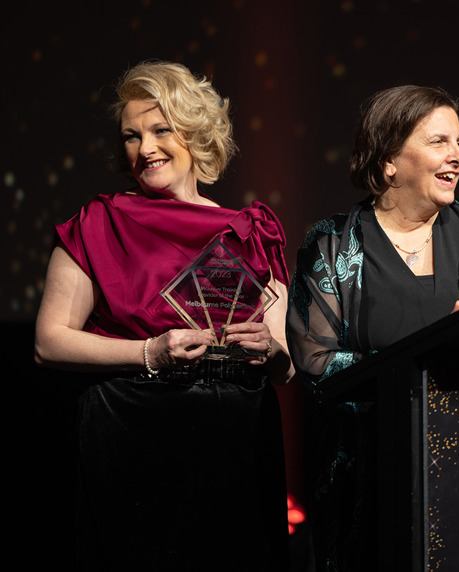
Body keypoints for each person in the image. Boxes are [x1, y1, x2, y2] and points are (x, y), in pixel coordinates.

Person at [34, 60, 294, 571]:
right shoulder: (100, 222)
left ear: (195, 133)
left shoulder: (251, 230)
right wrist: (150, 351)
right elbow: (48, 342)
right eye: (131, 136)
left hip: (237, 438)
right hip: (134, 428)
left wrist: (269, 350)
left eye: (160, 130)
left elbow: (286, 367)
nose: (144, 148)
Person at [286, 85, 459, 570]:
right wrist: (429, 356)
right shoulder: (333, 245)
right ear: (388, 160)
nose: (458, 157)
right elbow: (316, 363)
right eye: (439, 142)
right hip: (378, 487)